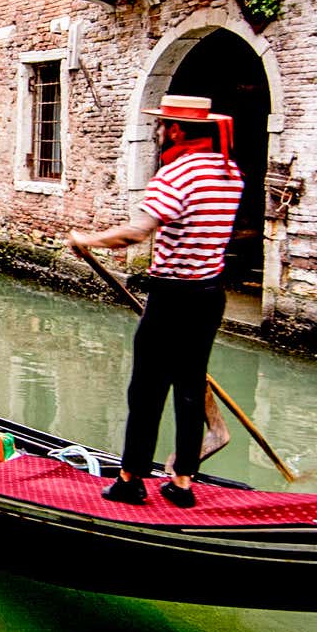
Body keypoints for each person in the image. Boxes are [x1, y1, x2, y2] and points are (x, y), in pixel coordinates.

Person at [68, 94, 243, 508]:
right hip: (209, 295)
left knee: (146, 390)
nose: (158, 131)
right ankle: (182, 483)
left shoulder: (176, 174)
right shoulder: (229, 172)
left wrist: (86, 240)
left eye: (162, 124)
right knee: (189, 388)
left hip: (171, 297)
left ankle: (130, 480)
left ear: (177, 130)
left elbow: (137, 232)